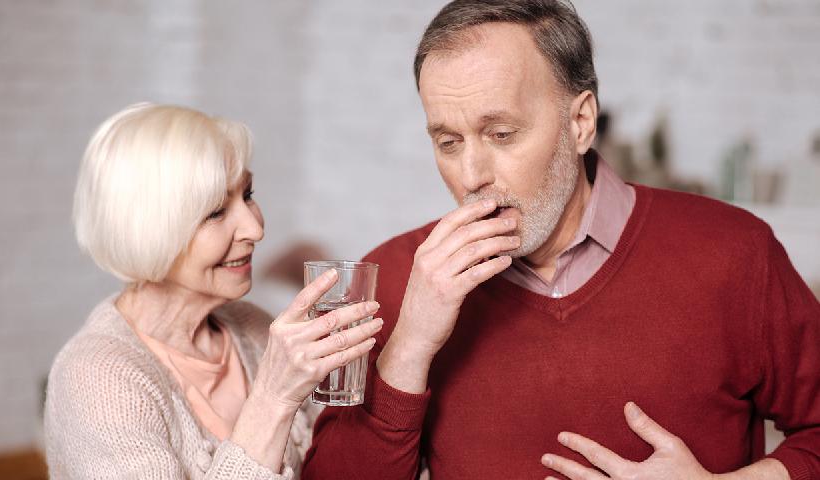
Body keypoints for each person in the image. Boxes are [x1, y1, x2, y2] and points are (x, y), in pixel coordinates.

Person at [302, 1, 820, 479]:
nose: (472, 174)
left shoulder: (734, 252)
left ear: (580, 122)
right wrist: (410, 345)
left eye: (502, 134)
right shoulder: (393, 277)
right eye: (448, 142)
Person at [44, 103, 383, 479]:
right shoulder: (97, 378)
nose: (255, 228)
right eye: (217, 211)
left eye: (248, 194)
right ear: (150, 228)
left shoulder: (253, 327)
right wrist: (273, 398)